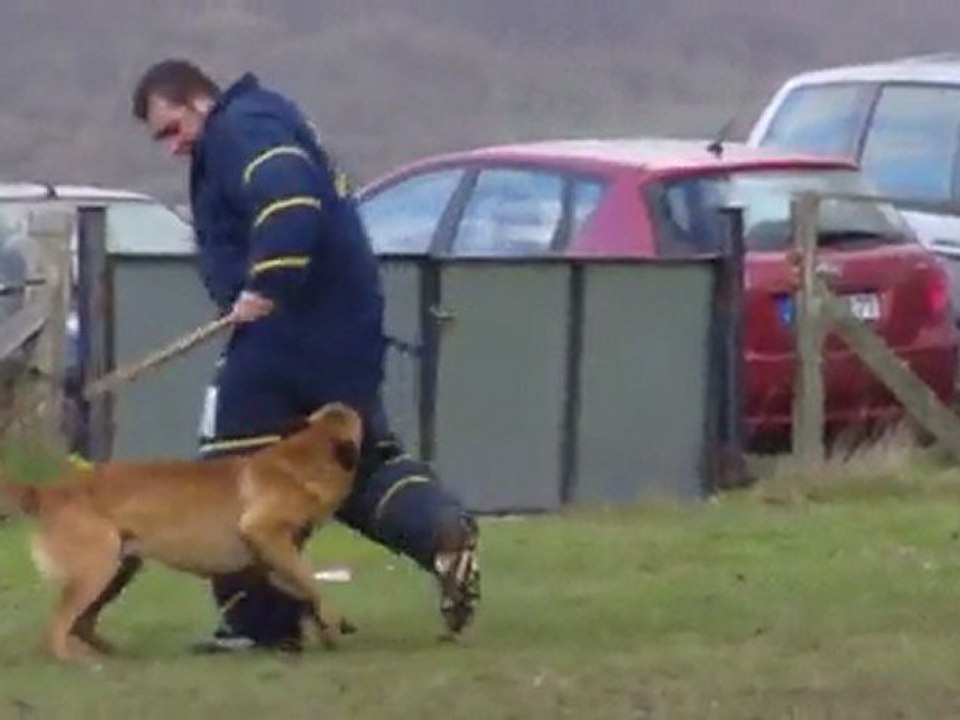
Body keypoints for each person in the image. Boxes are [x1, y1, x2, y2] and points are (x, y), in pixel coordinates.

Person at [129, 60, 480, 653]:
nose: (173, 148)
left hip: (283, 331)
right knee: (358, 460)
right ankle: (441, 534)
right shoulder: (269, 116)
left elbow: (290, 201)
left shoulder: (241, 128)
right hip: (345, 331)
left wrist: (265, 282)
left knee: (229, 475)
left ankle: (259, 625)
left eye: (170, 129)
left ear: (196, 102)